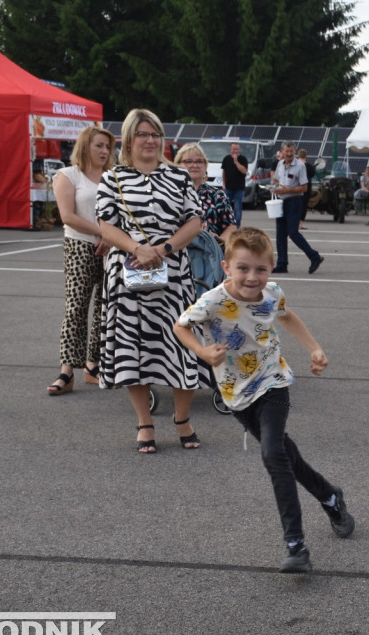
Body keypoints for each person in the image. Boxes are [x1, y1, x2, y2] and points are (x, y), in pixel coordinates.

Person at [173, 228, 355, 573]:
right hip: (235, 393)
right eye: (243, 268)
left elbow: (286, 316)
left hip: (272, 381)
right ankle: (330, 496)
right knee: (283, 453)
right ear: (226, 267)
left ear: (271, 268)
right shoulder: (213, 301)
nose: (251, 277)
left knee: (272, 452)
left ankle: (296, 545)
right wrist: (202, 350)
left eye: (260, 269)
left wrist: (314, 348)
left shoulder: (272, 293)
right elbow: (180, 326)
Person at [96, 108, 204, 454]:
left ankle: (182, 419)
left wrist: (165, 247)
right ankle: (145, 422)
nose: (149, 140)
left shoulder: (179, 178)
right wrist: (137, 248)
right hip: (128, 274)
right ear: (128, 139)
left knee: (182, 346)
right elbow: (105, 225)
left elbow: (195, 220)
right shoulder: (112, 179)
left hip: (174, 275)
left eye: (155, 134)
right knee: (133, 348)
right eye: (142, 133)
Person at [47, 124, 115, 396]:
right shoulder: (68, 175)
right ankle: (66, 372)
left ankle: (93, 365)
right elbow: (68, 216)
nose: (104, 151)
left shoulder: (113, 176)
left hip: (111, 248)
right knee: (76, 306)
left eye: (108, 147)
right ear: (85, 146)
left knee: (104, 308)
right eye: (99, 145)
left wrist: (111, 238)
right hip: (79, 245)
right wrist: (103, 232)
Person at [271, 141, 323, 275]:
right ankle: (282, 264)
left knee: (293, 232)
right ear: (282, 152)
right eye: (286, 151)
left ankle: (314, 256)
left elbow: (304, 187)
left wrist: (287, 189)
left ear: (295, 151)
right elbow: (276, 179)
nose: (288, 154)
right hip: (281, 201)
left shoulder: (300, 166)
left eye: (291, 151)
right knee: (280, 233)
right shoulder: (280, 164)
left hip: (294, 201)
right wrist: (276, 186)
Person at [175, 143, 237, 243]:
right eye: (188, 161)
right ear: (177, 164)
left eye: (199, 161)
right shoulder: (169, 193)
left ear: (205, 165)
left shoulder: (217, 195)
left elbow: (230, 226)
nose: (194, 165)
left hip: (208, 255)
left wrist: (219, 241)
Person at [221, 142, 248, 228]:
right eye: (234, 149)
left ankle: (237, 226)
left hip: (239, 189)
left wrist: (236, 162)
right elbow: (224, 172)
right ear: (230, 149)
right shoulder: (226, 159)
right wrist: (224, 184)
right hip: (228, 188)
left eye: (237, 149)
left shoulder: (243, 159)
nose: (235, 151)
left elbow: (244, 171)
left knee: (237, 208)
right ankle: (226, 225)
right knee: (226, 208)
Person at [296, 148, 315, 230]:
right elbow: (312, 174)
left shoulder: (295, 165)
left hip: (296, 187)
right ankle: (300, 223)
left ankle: (294, 222)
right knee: (303, 205)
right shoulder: (309, 166)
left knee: (295, 204)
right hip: (306, 187)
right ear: (306, 156)